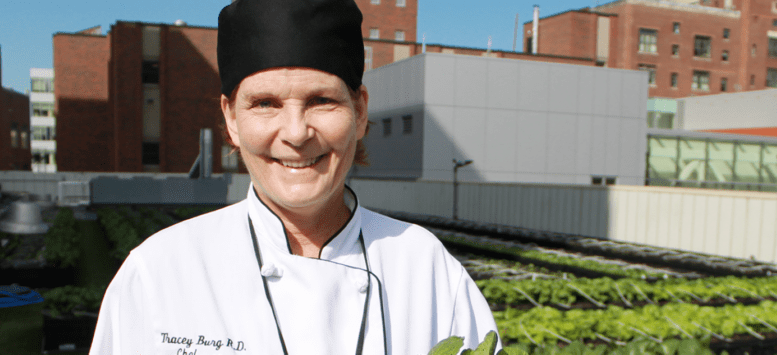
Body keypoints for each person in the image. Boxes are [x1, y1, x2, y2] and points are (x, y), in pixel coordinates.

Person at [88, 0, 498, 353]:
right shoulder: (159, 273)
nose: (296, 132)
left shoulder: (425, 267)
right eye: (265, 103)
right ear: (231, 118)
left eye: (321, 101)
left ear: (360, 111)